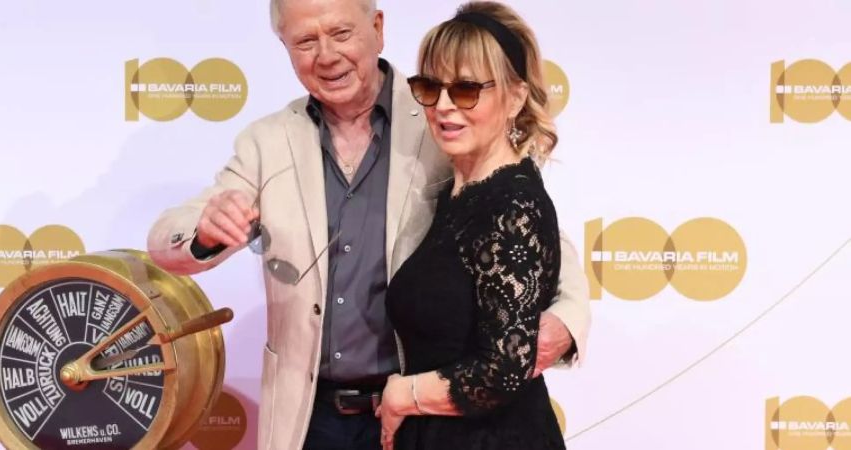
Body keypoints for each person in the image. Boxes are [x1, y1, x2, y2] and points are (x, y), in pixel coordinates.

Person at [147, 1, 589, 449]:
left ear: (378, 29)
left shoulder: (438, 113)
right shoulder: (268, 143)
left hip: (418, 411)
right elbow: (167, 239)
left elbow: (530, 235)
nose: (326, 55)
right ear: (284, 46)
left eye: (341, 33)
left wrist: (568, 320)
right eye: (305, 41)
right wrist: (204, 232)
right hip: (310, 415)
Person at [376, 2, 568, 449]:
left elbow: (504, 368)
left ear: (515, 97)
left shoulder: (512, 202)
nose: (443, 107)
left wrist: (406, 393)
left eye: (465, 90)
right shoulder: (456, 193)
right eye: (430, 87)